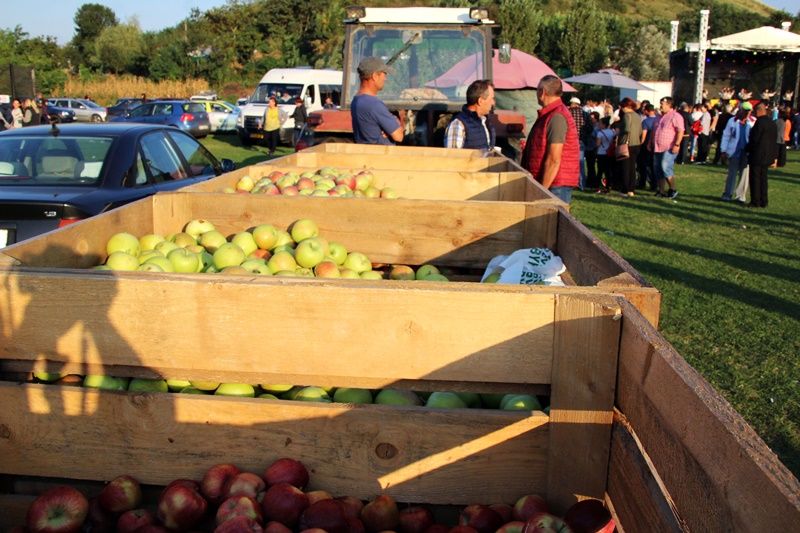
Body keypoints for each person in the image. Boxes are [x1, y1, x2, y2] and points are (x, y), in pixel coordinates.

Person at [521, 75, 580, 204]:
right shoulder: (550, 114)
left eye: (537, 90)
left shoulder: (556, 116)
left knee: (550, 216)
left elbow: (554, 159)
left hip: (554, 185)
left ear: (542, 92)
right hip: (552, 183)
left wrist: (542, 191)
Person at [351, 57, 403, 145]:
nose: (385, 78)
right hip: (380, 153)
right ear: (375, 76)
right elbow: (399, 136)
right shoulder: (373, 104)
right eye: (384, 74)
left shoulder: (356, 100)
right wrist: (396, 122)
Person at [444, 79, 496, 150]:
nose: (493, 103)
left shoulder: (485, 122)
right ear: (480, 101)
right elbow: (453, 155)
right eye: (491, 99)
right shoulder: (458, 124)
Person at [649, 97, 684, 199]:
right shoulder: (658, 117)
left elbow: (680, 131)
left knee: (665, 166)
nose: (660, 106)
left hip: (669, 147)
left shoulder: (676, 116)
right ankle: (661, 190)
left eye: (662, 104)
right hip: (657, 147)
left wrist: (677, 144)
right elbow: (654, 130)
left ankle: (673, 189)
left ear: (669, 105)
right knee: (658, 169)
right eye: (660, 103)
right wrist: (650, 142)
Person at [746, 102, 777, 208]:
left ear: (759, 111)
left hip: (757, 155)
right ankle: (764, 200)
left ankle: (755, 201)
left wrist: (747, 149)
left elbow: (754, 139)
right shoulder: (772, 123)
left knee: (755, 178)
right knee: (763, 179)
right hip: (768, 155)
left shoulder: (759, 123)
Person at [720, 108, 752, 201]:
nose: (747, 114)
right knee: (732, 174)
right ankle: (728, 194)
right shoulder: (732, 121)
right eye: (745, 111)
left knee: (744, 175)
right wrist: (723, 150)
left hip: (746, 152)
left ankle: (741, 196)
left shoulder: (751, 122)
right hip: (734, 152)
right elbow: (726, 135)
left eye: (748, 112)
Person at [616, 97, 643, 197]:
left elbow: (627, 129)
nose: (621, 108)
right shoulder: (637, 116)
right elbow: (640, 131)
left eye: (622, 106)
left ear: (626, 106)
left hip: (627, 144)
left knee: (625, 168)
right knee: (632, 168)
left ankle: (625, 189)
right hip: (636, 144)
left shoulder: (627, 116)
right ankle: (631, 189)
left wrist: (619, 132)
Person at [567, 97, 590, 190]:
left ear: (574, 104)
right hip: (581, 140)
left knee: (569, 163)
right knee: (581, 163)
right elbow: (590, 128)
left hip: (570, 141)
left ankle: (570, 183)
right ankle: (581, 184)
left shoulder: (568, 113)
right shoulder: (585, 114)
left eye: (571, 103)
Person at [637, 104, 657, 191]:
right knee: (653, 165)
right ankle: (654, 184)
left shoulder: (645, 121)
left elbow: (643, 136)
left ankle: (642, 182)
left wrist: (640, 144)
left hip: (646, 146)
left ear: (647, 111)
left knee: (644, 165)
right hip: (656, 145)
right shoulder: (658, 120)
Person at [595, 116, 615, 193]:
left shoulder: (600, 133)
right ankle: (608, 186)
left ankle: (597, 186)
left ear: (603, 124)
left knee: (600, 171)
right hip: (609, 153)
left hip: (601, 153)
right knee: (608, 171)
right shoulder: (612, 132)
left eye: (600, 123)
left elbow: (598, 144)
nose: (598, 125)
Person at [584, 111, 600, 190]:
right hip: (589, 147)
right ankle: (590, 180)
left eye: (592, 118)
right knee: (589, 165)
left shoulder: (597, 127)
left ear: (596, 119)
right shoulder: (590, 125)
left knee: (591, 165)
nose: (590, 119)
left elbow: (595, 136)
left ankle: (592, 181)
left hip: (593, 148)